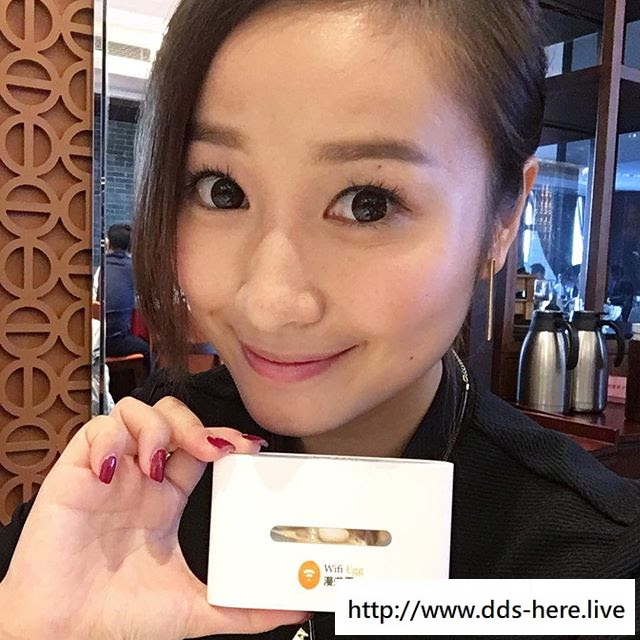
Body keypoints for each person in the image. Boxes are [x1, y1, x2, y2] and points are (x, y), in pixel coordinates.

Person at [0, 1, 638, 639]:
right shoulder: (130, 493)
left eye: (368, 203)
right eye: (221, 190)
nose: (270, 302)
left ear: (504, 218)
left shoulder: (597, 571)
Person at [104, 223, 151, 372]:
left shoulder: (100, 268)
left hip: (93, 341)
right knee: (149, 350)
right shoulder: (133, 269)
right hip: (117, 342)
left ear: (108, 242)